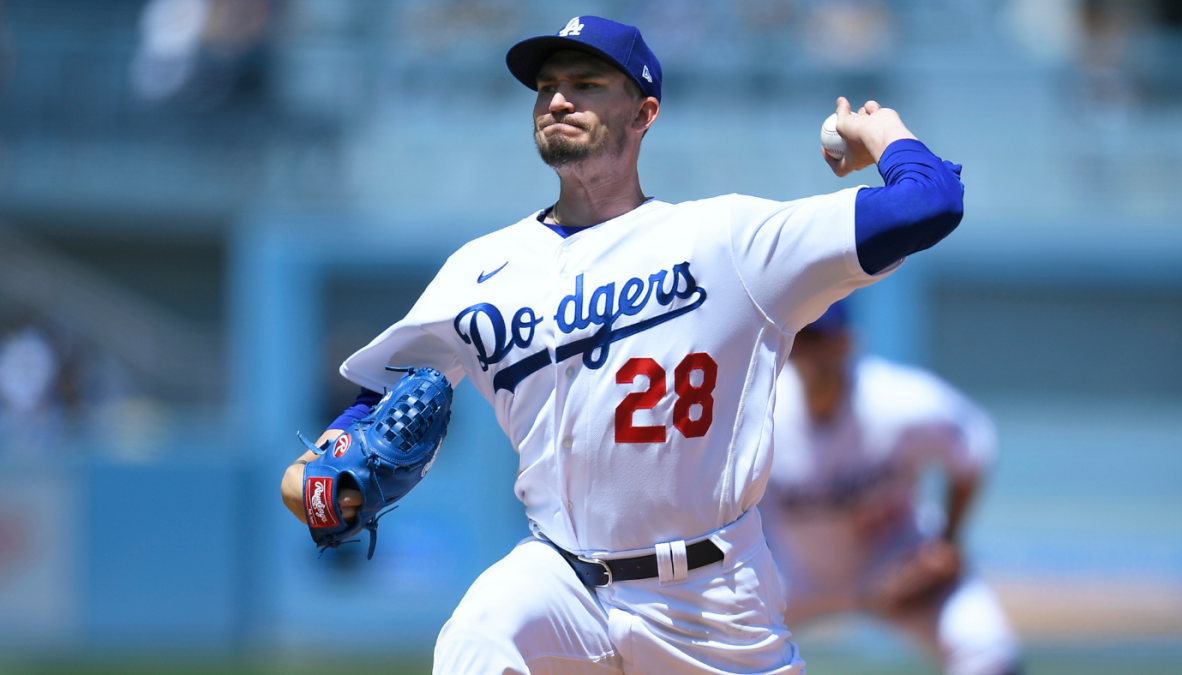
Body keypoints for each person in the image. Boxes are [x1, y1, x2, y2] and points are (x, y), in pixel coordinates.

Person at [281, 15, 967, 675]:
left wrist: (886, 133)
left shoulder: (727, 241)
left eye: (586, 83)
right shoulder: (478, 270)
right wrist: (326, 481)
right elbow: (381, 407)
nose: (557, 98)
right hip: (560, 575)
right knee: (478, 634)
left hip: (709, 592)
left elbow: (929, 202)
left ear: (644, 114)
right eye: (547, 85)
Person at [759, 301, 1022, 675]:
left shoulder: (898, 402)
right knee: (699, 651)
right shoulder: (760, 411)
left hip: (893, 555)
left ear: (844, 342)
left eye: (815, 337)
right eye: (796, 338)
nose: (804, 350)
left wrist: (947, 545)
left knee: (987, 651)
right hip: (794, 571)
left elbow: (974, 446)